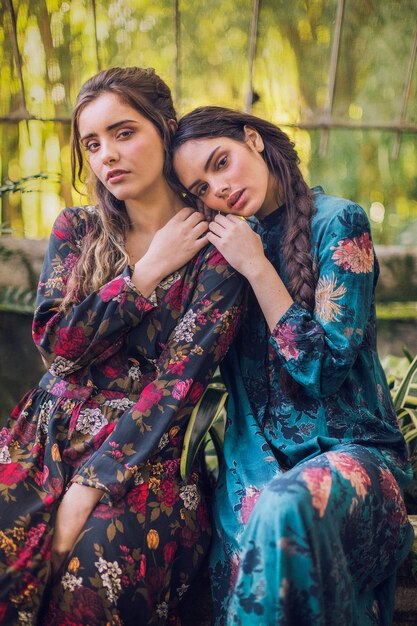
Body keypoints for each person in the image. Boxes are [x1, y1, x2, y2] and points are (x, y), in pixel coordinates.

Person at [0, 72, 244, 626]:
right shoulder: (78, 230)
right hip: (43, 438)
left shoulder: (218, 251)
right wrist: (147, 271)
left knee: (89, 583)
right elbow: (58, 347)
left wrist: (87, 492)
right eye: (92, 144)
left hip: (144, 457)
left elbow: (176, 387)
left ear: (165, 129)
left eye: (124, 132)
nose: (108, 155)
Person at [172, 106, 414, 626]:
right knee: (258, 517)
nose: (218, 188)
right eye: (199, 190)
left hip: (356, 460)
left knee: (283, 509)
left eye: (221, 162)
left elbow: (321, 372)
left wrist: (258, 265)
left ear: (253, 139)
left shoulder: (340, 224)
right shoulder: (218, 257)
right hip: (253, 469)